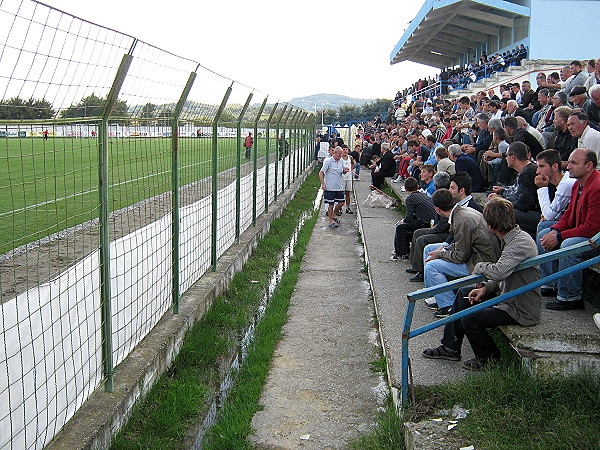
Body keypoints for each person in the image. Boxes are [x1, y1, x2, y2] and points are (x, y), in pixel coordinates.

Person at [423, 197, 543, 371]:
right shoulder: (511, 237)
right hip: (507, 296)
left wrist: (479, 267)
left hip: (519, 308)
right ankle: (450, 347)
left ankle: (489, 359)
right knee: (464, 294)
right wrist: (487, 288)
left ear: (490, 225)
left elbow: (500, 271)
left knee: (470, 318)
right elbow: (503, 275)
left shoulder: (519, 243)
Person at [537, 149, 600, 310]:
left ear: (589, 166)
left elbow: (592, 229)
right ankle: (549, 283)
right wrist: (555, 231)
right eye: (569, 162)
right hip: (586, 233)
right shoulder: (578, 184)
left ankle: (570, 297)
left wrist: (559, 237)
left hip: (596, 238)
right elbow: (568, 214)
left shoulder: (596, 187)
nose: (568, 166)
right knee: (545, 230)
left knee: (569, 245)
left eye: (573, 163)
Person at [422, 189, 499, 317]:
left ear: (437, 209)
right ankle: (436, 296)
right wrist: (443, 250)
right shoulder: (461, 212)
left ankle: (449, 305)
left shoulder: (461, 220)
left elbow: (460, 256)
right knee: (429, 249)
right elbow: (461, 244)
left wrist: (440, 254)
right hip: (476, 254)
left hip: (480, 262)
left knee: (432, 266)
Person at [407, 172, 482, 282]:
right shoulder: (459, 206)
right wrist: (444, 246)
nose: (449, 190)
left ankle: (435, 289)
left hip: (472, 257)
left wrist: (442, 252)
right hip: (457, 244)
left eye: (452, 188)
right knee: (428, 247)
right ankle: (423, 274)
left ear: (461, 190)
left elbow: (463, 249)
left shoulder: (472, 208)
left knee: (429, 253)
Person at [489, 141, 541, 236]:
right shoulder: (527, 169)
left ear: (512, 157)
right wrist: (502, 192)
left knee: (500, 211)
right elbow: (517, 191)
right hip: (532, 211)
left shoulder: (527, 174)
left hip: (537, 214)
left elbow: (523, 205)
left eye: (507, 156)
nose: (505, 158)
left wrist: (501, 201)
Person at [391, 177, 437, 260]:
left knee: (400, 227)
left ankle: (402, 253)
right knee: (404, 226)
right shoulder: (423, 195)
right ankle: (400, 250)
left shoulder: (410, 199)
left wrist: (403, 221)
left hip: (425, 222)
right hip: (431, 221)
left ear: (405, 189)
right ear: (417, 186)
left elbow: (409, 217)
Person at [534, 149, 576, 232]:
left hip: (576, 225)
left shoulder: (566, 184)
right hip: (567, 219)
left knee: (543, 226)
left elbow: (549, 215)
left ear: (555, 167)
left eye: (541, 166)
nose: (537, 172)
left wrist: (542, 188)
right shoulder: (563, 180)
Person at [319, 146, 348, 228]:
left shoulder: (341, 161)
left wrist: (345, 171)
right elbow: (321, 172)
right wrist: (323, 184)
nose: (341, 155)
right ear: (335, 153)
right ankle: (330, 220)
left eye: (341, 153)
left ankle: (334, 214)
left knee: (341, 202)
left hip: (339, 186)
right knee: (330, 204)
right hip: (330, 187)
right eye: (339, 153)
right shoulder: (328, 161)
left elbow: (342, 171)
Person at [340, 146, 355, 214]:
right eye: (344, 149)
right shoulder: (340, 158)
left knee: (348, 193)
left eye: (346, 149)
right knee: (341, 193)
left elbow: (352, 163)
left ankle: (348, 207)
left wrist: (351, 169)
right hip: (342, 177)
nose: (345, 151)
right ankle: (339, 207)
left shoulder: (350, 157)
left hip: (349, 177)